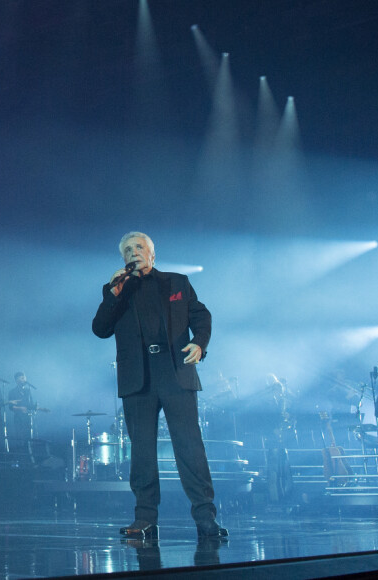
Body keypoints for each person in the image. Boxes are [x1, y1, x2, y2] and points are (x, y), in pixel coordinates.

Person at [92, 231, 227, 540]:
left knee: (189, 446)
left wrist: (199, 343)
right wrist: (113, 294)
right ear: (123, 258)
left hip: (175, 372)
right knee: (141, 452)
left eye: (139, 247)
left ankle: (205, 517)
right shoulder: (117, 289)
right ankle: (144, 518)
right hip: (137, 379)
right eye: (127, 249)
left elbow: (201, 315)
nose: (133, 252)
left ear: (151, 254)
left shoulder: (177, 283)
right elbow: (100, 329)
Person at [8, 372, 35, 456]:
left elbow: (31, 404)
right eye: (21, 378)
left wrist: (35, 407)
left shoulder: (28, 390)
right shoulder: (12, 392)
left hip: (28, 418)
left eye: (24, 377)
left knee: (29, 438)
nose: (24, 379)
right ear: (17, 380)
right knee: (20, 438)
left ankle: (29, 456)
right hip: (19, 419)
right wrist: (21, 408)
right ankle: (20, 456)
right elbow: (11, 407)